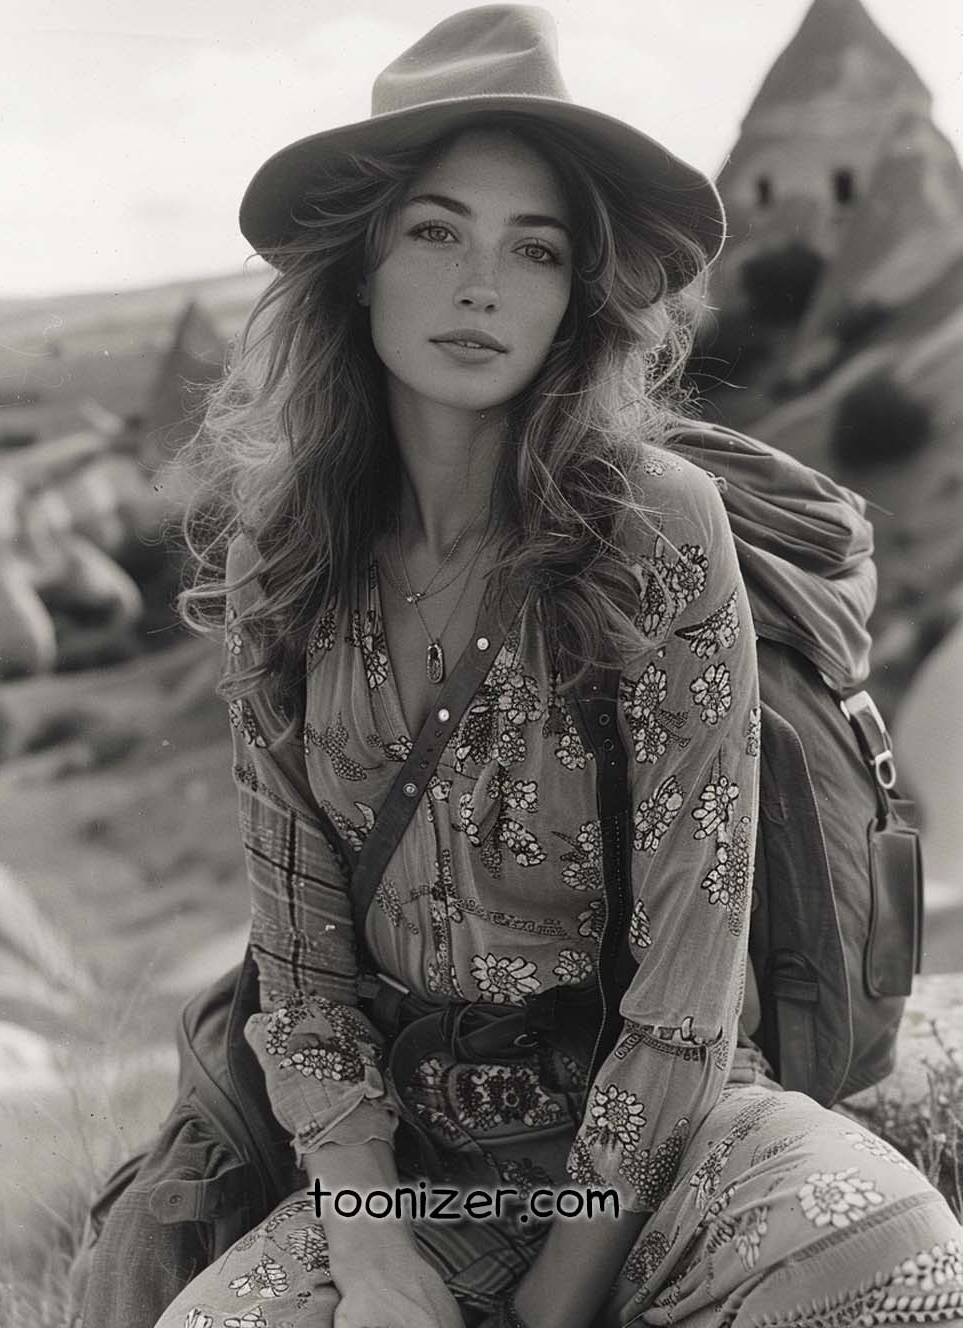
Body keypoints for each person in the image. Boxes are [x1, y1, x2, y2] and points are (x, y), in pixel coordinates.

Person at [156, 6, 963, 1327]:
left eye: (533, 248)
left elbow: (691, 989)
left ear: (574, 293)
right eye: (436, 230)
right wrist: (369, 1248)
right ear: (361, 263)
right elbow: (301, 983)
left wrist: (558, 1301)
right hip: (417, 1170)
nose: (484, 284)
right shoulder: (283, 560)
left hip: (676, 1146)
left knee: (909, 1276)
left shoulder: (655, 528)